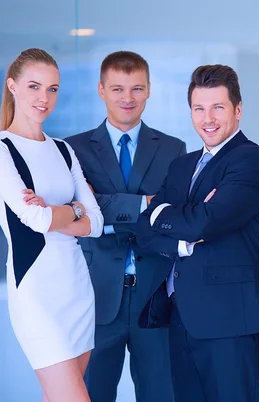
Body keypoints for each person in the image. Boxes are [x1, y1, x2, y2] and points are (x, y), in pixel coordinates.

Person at [133, 64, 259, 402]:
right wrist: (182, 234)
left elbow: (206, 222)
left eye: (218, 107)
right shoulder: (182, 165)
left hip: (230, 321)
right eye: (199, 108)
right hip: (181, 316)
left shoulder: (251, 160)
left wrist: (166, 214)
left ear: (238, 110)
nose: (207, 118)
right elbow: (143, 229)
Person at [0, 48, 104, 402]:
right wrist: (74, 209)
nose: (44, 98)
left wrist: (58, 211)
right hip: (35, 291)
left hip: (77, 287)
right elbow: (36, 220)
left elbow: (95, 223)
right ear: (13, 86)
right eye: (34, 86)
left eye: (52, 89)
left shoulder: (64, 150)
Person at [65, 50, 185, 402]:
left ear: (149, 90)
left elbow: (174, 214)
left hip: (155, 295)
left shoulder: (174, 149)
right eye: (118, 89)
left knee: (161, 394)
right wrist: (146, 204)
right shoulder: (73, 149)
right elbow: (77, 211)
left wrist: (101, 206)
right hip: (96, 295)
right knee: (92, 394)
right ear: (101, 90)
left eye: (136, 88)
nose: (127, 98)